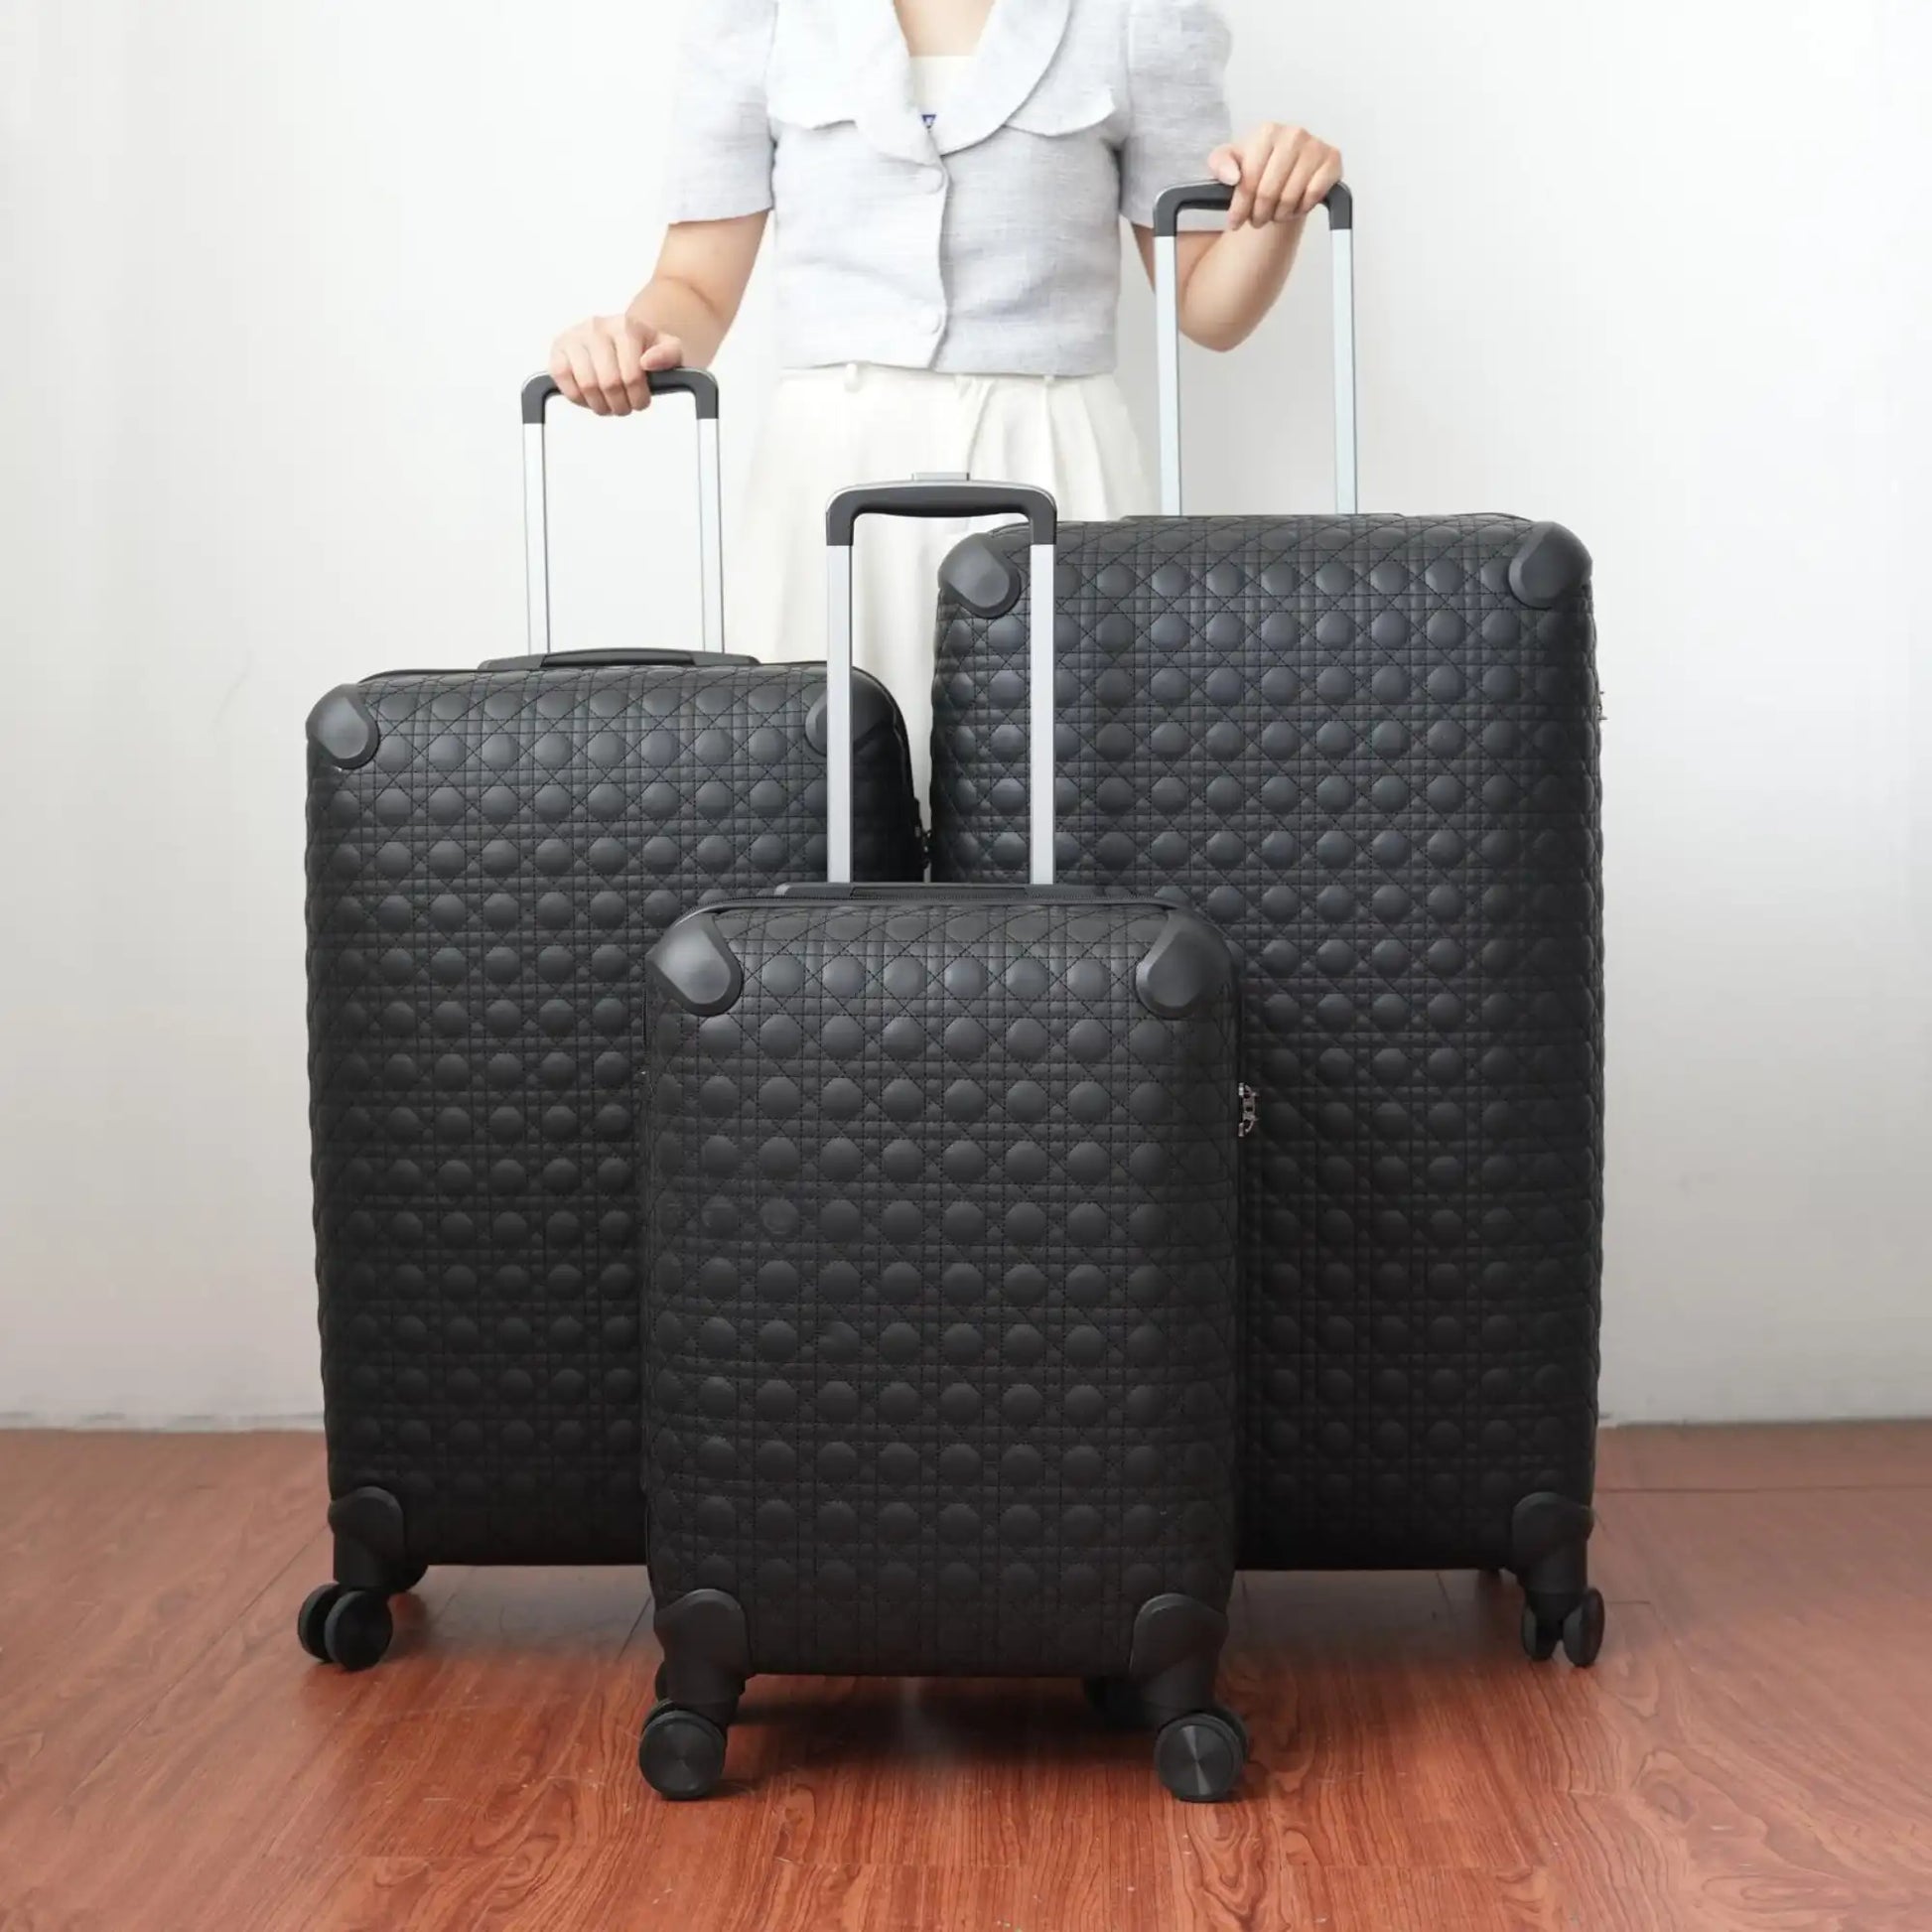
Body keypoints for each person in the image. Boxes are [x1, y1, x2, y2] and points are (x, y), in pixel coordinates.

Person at [550, 0, 1340, 801]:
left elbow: (1205, 303)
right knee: (815, 809)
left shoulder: (1138, 15)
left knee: (1066, 809)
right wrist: (629, 338)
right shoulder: (761, 16)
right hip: (828, 473)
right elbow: (693, 285)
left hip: (1053, 461)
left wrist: (1280, 202)